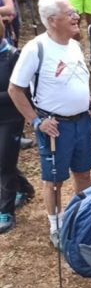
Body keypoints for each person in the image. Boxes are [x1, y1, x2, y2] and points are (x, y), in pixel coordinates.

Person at [8, 0, 91, 248]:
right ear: (52, 20)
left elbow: (77, 78)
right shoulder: (36, 49)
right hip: (55, 126)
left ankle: (83, 217)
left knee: (83, 171)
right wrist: (36, 121)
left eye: (75, 12)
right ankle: (56, 226)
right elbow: (15, 89)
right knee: (54, 179)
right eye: (70, 13)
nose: (76, 17)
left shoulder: (73, 44)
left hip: (82, 122)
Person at [0, 34, 35, 235]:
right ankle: (24, 188)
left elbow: (22, 91)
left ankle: (6, 211)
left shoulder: (13, 56)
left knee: (4, 162)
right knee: (4, 160)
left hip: (10, 118)